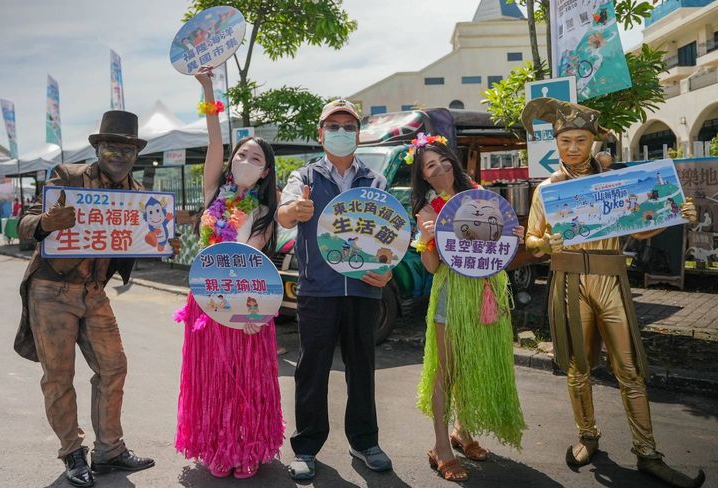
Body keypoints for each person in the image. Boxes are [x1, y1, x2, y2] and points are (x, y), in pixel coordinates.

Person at [522, 97, 705, 488]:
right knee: (577, 369)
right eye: (566, 140)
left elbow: (640, 228)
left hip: (610, 280)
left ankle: (648, 453)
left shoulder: (613, 184)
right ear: (556, 143)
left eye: (581, 140)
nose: (573, 148)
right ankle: (587, 435)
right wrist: (547, 245)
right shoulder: (547, 190)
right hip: (569, 283)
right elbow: (531, 240)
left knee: (630, 369)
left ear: (593, 143)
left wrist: (676, 215)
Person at [16, 110, 161, 487]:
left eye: (127, 149)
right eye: (112, 146)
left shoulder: (137, 195)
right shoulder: (68, 177)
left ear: (135, 154)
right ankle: (72, 453)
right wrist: (47, 222)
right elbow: (26, 224)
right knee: (59, 375)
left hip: (94, 291)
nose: (119, 155)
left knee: (114, 367)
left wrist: (164, 241)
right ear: (98, 148)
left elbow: (140, 239)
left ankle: (109, 450)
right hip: (51, 289)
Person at [173, 66, 283, 479]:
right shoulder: (212, 194)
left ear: (266, 172)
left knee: (245, 377)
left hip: (246, 303)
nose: (244, 160)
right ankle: (217, 446)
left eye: (255, 158)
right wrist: (208, 90)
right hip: (206, 300)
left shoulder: (263, 213)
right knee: (213, 376)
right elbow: (214, 141)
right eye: (241, 154)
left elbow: (253, 264)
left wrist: (254, 314)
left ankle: (248, 445)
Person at [276, 99, 393, 481]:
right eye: (333, 126)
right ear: (320, 133)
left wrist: (387, 271)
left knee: (362, 367)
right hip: (317, 290)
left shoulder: (374, 181)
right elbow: (284, 212)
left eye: (348, 126)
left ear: (358, 134)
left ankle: (365, 440)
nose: (341, 132)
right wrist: (295, 211)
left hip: (364, 290)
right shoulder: (304, 178)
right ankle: (306, 447)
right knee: (312, 369)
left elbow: (391, 236)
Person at [408, 133, 526, 482]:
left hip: (487, 291)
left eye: (444, 160)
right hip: (452, 295)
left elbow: (501, 247)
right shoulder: (428, 210)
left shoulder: (480, 196)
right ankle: (441, 447)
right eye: (431, 165)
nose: (441, 168)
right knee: (446, 369)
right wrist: (427, 238)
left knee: (474, 363)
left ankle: (464, 431)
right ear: (423, 175)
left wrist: (513, 235)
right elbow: (431, 267)